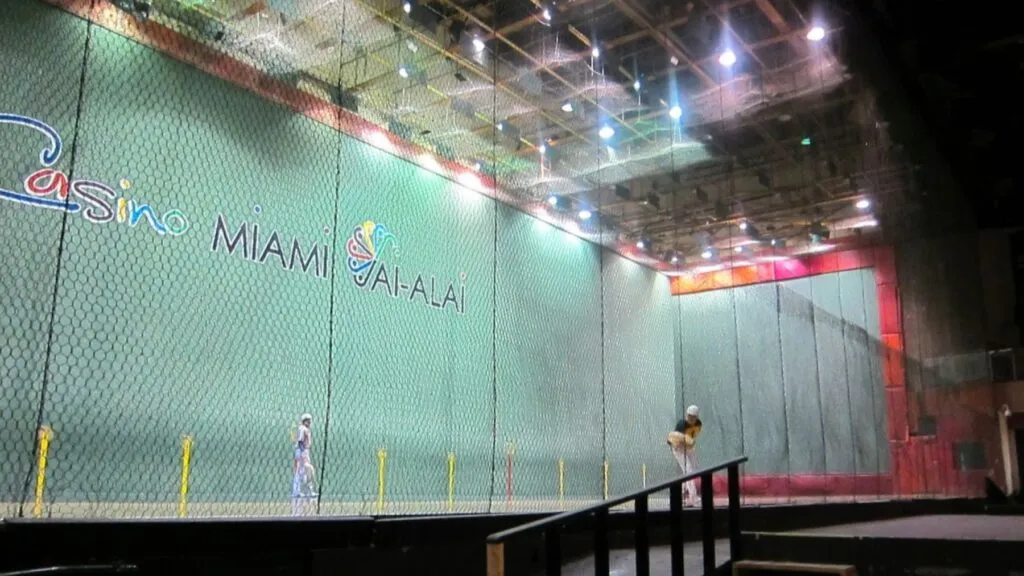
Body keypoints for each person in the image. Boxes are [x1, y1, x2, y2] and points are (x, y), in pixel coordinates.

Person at [667, 405, 702, 505]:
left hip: (688, 447)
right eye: (689, 415)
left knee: (692, 469)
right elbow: (673, 441)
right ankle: (693, 497)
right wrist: (681, 441)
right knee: (688, 470)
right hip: (678, 449)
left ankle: (681, 493)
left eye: (693, 416)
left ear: (696, 417)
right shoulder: (681, 424)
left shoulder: (698, 424)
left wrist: (689, 442)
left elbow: (691, 439)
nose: (690, 418)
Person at [292, 413, 316, 515]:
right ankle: (298, 492)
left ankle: (307, 492)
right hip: (302, 452)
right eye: (308, 420)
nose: (310, 422)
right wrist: (302, 455)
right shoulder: (302, 429)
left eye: (310, 420)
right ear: (305, 421)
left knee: (305, 472)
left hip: (304, 452)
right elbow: (300, 442)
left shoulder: (305, 429)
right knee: (302, 471)